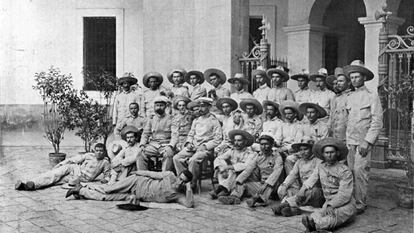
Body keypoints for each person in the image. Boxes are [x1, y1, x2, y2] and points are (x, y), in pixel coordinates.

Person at [343, 60, 383, 213]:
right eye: (352, 77)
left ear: (364, 78)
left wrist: (367, 141)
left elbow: (377, 121)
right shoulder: (350, 96)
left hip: (363, 141)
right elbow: (349, 120)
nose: (354, 80)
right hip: (350, 141)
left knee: (360, 171)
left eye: (357, 77)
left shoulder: (372, 96)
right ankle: (351, 201)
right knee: (350, 171)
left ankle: (360, 203)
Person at [299, 138, 356, 232]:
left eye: (332, 152)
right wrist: (303, 189)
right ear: (323, 154)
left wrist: (331, 205)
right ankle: (314, 226)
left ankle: (316, 227)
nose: (329, 155)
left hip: (345, 204)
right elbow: (312, 178)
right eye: (326, 153)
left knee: (334, 215)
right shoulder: (321, 167)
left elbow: (344, 194)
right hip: (328, 202)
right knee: (316, 215)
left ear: (337, 153)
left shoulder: (344, 170)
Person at [66, 170, 195, 208]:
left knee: (106, 198)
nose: (180, 182)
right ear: (178, 176)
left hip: (135, 195)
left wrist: (188, 188)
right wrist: (137, 172)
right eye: (181, 178)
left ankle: (80, 190)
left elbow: (189, 204)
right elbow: (151, 174)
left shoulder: (178, 195)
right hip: (136, 182)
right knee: (109, 189)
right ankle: (85, 185)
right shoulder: (170, 175)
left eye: (184, 181)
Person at [219, 135, 284, 207]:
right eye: (262, 144)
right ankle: (234, 197)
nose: (264, 147)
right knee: (243, 184)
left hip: (273, 186)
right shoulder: (259, 156)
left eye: (266, 144)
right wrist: (239, 180)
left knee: (270, 185)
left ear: (271, 145)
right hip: (261, 185)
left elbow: (276, 173)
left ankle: (257, 199)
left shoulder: (277, 157)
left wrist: (266, 184)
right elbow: (249, 169)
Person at [173, 97, 223, 190]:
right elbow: (191, 134)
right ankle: (183, 180)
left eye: (203, 106)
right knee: (176, 158)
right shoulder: (196, 120)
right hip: (194, 147)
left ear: (209, 107)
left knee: (193, 160)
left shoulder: (214, 121)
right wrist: (188, 143)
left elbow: (218, 139)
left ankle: (192, 184)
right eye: (199, 106)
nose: (200, 109)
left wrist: (205, 146)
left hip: (206, 149)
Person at [15, 143, 110, 191]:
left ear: (104, 151)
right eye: (97, 150)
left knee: (56, 180)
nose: (99, 152)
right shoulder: (89, 155)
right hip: (75, 169)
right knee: (55, 173)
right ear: (94, 151)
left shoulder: (105, 162)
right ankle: (32, 183)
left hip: (82, 178)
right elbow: (74, 159)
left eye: (101, 151)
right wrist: (60, 164)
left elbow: (108, 173)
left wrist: (106, 179)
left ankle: (29, 186)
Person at [274, 141, 323, 217]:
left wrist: (303, 189)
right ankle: (294, 209)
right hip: (302, 192)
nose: (302, 152)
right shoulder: (299, 162)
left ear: (312, 149)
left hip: (315, 192)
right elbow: (292, 175)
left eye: (305, 149)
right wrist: (284, 186)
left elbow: (315, 177)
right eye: (300, 150)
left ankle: (286, 204)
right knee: (283, 189)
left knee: (312, 192)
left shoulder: (318, 161)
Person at [211, 130, 257, 200]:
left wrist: (228, 167)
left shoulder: (250, 153)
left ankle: (224, 189)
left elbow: (246, 165)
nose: (236, 143)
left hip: (243, 177)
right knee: (223, 165)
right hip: (230, 175)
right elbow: (219, 158)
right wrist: (221, 168)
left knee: (232, 170)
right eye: (235, 140)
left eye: (239, 140)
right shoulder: (232, 150)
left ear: (245, 141)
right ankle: (223, 188)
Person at [136, 96, 178, 172]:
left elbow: (175, 135)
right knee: (140, 153)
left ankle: (164, 177)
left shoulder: (171, 119)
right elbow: (145, 134)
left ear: (165, 106)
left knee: (168, 154)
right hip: (153, 145)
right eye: (157, 105)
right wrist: (142, 145)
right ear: (154, 107)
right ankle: (142, 177)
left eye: (161, 105)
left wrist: (171, 146)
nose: (159, 107)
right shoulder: (151, 119)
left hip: (166, 145)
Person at [329, 67, 352, 141]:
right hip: (335, 136)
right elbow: (332, 116)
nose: (338, 84)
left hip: (347, 137)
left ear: (348, 83)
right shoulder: (335, 98)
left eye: (341, 81)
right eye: (337, 81)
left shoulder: (351, 97)